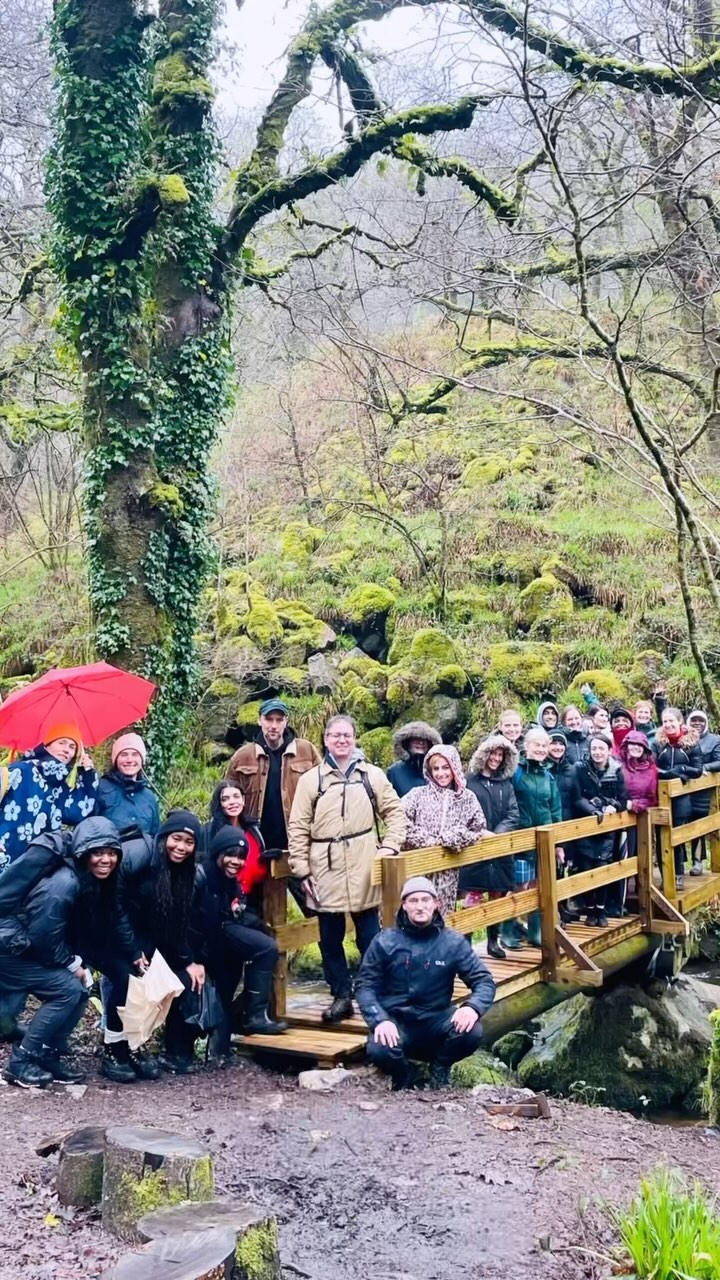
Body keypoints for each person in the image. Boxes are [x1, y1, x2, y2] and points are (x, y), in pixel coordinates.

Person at [288, 715, 405, 1024]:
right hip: (323, 866)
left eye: (346, 735)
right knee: (329, 938)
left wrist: (390, 846)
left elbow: (395, 813)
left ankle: (370, 992)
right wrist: (300, 869)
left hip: (364, 863)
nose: (341, 740)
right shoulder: (311, 780)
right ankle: (341, 994)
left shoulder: (373, 776)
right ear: (325, 740)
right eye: (335, 735)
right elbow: (298, 827)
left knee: (370, 936)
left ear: (354, 739)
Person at [0, 816, 133, 1088]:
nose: (105, 859)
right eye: (97, 852)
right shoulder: (64, 884)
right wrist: (73, 964)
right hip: (9, 949)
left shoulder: (86, 878)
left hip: (24, 944)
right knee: (67, 991)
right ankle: (20, 1062)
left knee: (78, 990)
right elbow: (43, 935)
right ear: (83, 853)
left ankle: (49, 1053)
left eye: (111, 853)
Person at [356, 876, 496, 1090]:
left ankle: (440, 1067)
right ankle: (405, 1075)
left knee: (472, 1031)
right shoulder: (384, 941)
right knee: (378, 1048)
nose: (420, 906)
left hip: (436, 1019)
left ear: (435, 903)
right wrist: (380, 1020)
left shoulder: (453, 942)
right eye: (413, 901)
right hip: (397, 1020)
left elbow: (484, 981)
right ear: (404, 905)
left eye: (425, 900)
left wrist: (472, 1008)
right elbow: (365, 986)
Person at [116, 808, 209, 1073]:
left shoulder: (191, 875)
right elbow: (119, 909)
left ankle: (177, 1052)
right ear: (164, 837)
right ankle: (122, 1050)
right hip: (129, 941)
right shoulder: (143, 866)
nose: (181, 847)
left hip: (163, 943)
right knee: (127, 981)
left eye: (189, 842)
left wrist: (192, 961)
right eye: (176, 839)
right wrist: (134, 950)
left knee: (188, 980)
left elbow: (183, 925)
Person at [202, 827, 286, 1061]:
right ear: (218, 852)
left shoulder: (230, 881)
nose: (236, 861)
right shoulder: (204, 876)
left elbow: (234, 911)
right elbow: (206, 919)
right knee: (266, 948)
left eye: (241, 857)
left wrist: (256, 924)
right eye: (230, 855)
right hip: (208, 943)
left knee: (226, 992)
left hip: (225, 937)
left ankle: (220, 1050)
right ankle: (254, 1016)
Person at [225, 698, 320, 854]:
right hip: (255, 842)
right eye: (268, 720)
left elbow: (324, 792)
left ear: (286, 721)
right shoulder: (242, 757)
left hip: (297, 841)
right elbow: (226, 798)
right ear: (259, 720)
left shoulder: (306, 750)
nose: (274, 726)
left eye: (279, 720)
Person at [402, 745, 487, 918]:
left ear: (454, 767)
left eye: (445, 767)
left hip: (448, 873)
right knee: (416, 916)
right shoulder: (417, 795)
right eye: (436, 769)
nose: (441, 773)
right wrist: (428, 840)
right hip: (418, 868)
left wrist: (456, 837)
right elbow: (399, 822)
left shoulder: (467, 798)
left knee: (443, 917)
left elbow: (478, 829)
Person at [0, 724, 99, 869]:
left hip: (35, 867)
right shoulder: (20, 771)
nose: (66, 750)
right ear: (46, 745)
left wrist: (87, 774)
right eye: (61, 743)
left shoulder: (60, 787)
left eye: (72, 746)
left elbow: (77, 813)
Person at [459, 734, 519, 959]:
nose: (495, 758)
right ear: (483, 754)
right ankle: (466, 944)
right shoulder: (468, 781)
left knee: (498, 894)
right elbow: (462, 811)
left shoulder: (506, 783)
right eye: (492, 753)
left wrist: (497, 834)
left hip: (500, 846)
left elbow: (514, 813)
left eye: (500, 754)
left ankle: (493, 941)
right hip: (476, 846)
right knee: (473, 895)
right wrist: (479, 833)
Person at [506, 728, 563, 950]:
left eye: (543, 745)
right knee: (520, 885)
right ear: (526, 746)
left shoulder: (548, 775)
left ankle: (536, 931)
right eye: (536, 745)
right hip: (522, 839)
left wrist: (559, 843)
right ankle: (508, 931)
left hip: (545, 839)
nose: (540, 749)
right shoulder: (516, 773)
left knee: (542, 885)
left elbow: (555, 808)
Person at [570, 735, 628, 926]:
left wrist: (611, 805)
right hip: (586, 823)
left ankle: (601, 910)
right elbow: (577, 798)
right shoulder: (580, 768)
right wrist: (594, 811)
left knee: (602, 867)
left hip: (607, 829)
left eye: (601, 748)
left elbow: (622, 799)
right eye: (594, 748)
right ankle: (590, 909)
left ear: (609, 750)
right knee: (585, 867)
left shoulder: (617, 770)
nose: (597, 752)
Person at [652, 708, 703, 890]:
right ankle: (666, 876)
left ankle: (678, 875)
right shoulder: (658, 743)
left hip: (681, 799)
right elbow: (651, 766)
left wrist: (682, 770)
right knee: (660, 835)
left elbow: (697, 769)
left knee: (677, 838)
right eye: (665, 721)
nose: (668, 725)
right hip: (660, 797)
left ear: (680, 722)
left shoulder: (691, 744)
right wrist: (669, 774)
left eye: (672, 721)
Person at [203, 781, 267, 911]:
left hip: (253, 899)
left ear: (243, 800)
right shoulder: (210, 833)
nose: (232, 802)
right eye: (225, 799)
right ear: (219, 804)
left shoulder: (254, 831)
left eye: (236, 796)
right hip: (223, 901)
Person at [96, 733, 159, 837]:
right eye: (124, 754)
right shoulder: (100, 789)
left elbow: (155, 836)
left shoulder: (149, 797)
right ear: (115, 760)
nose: (129, 760)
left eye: (135, 754)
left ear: (142, 760)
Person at [686, 710, 720, 875]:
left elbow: (719, 761)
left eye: (700, 720)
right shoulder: (682, 737)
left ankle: (697, 861)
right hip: (683, 790)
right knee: (679, 826)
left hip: (703, 792)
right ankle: (679, 863)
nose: (697, 723)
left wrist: (704, 768)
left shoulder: (714, 740)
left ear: (706, 722)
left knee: (698, 826)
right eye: (693, 720)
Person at [619, 731, 658, 859]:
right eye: (633, 744)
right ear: (626, 745)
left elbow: (652, 798)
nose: (636, 747)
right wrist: (624, 803)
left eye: (640, 745)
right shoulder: (617, 765)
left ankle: (638, 879)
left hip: (641, 816)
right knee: (622, 854)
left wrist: (635, 805)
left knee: (639, 854)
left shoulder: (651, 769)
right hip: (619, 815)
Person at [387, 722, 442, 797]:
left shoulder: (439, 768)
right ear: (407, 742)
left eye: (424, 739)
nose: (421, 742)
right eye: (416, 738)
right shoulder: (394, 771)